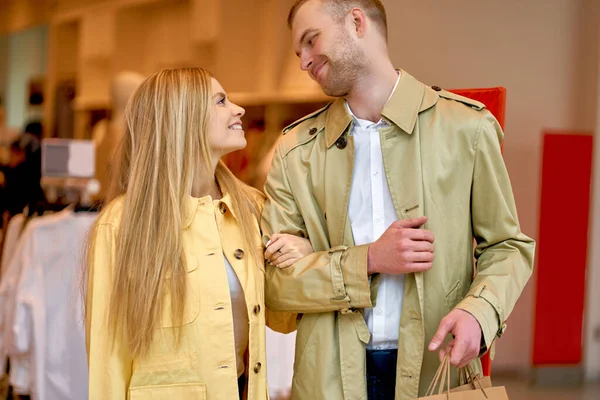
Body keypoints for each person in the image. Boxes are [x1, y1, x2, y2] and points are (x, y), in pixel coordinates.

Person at [261, 1, 535, 399]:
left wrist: (479, 313)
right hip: (327, 380)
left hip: (435, 372)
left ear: (356, 22)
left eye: (310, 40)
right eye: (298, 51)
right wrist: (369, 258)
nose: (303, 61)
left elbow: (508, 246)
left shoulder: (466, 129)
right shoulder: (293, 151)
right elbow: (274, 286)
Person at [85, 68, 311, 400]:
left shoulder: (253, 209)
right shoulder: (121, 224)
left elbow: (282, 319)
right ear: (182, 119)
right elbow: (108, 358)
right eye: (221, 101)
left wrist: (303, 253)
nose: (239, 109)